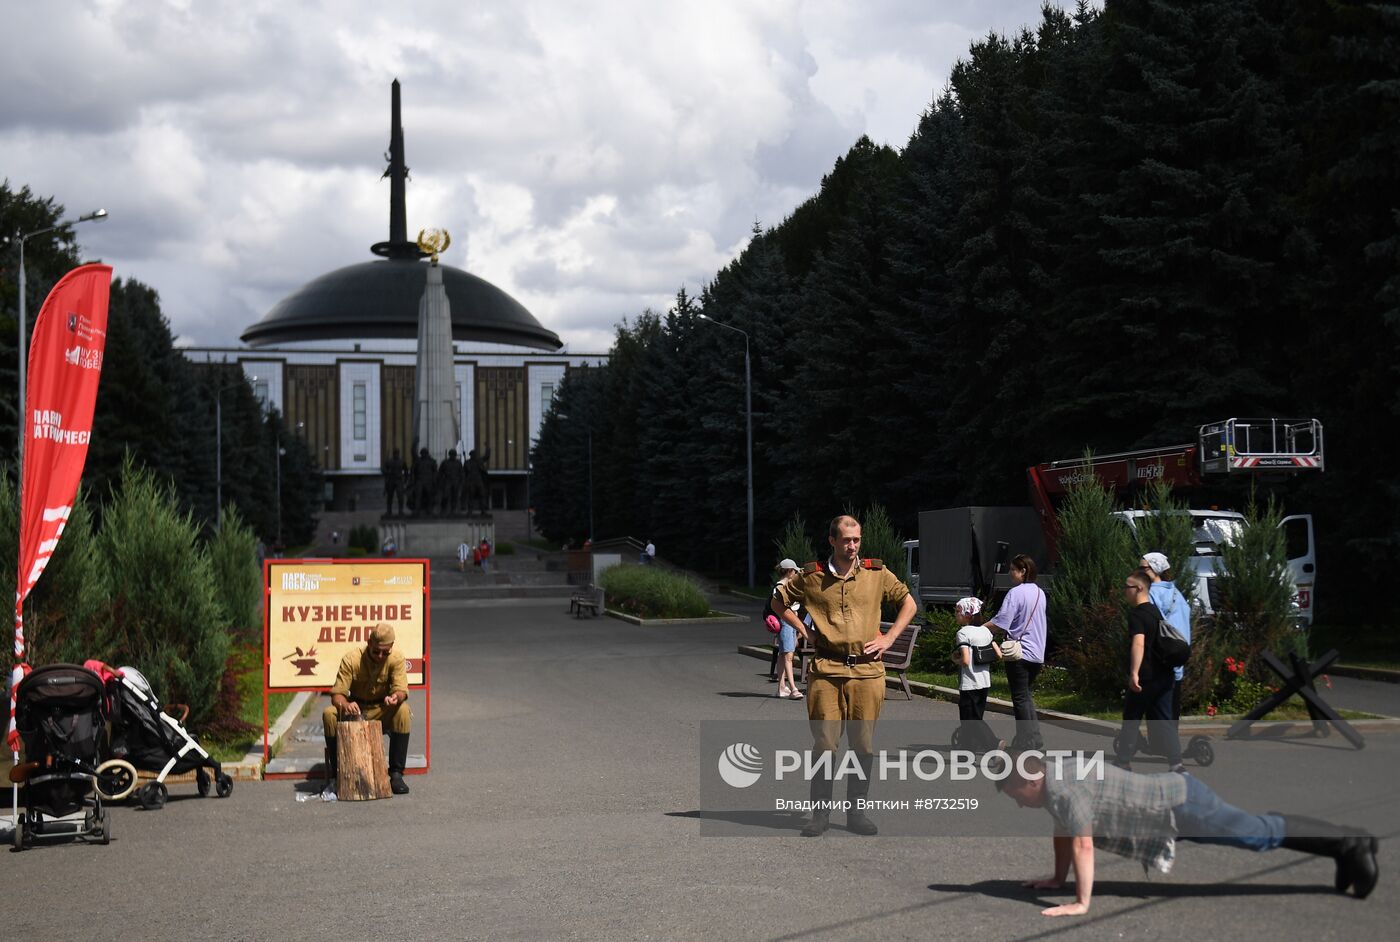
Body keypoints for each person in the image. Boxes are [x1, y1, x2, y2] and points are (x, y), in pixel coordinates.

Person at [995, 752, 1379, 917]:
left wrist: (1081, 902)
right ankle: (1347, 842)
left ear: (1029, 780)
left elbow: (1082, 841)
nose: (1017, 804)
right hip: (1171, 806)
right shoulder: (1053, 781)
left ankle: (1349, 844)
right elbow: (1064, 831)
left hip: (1181, 806)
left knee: (1257, 834)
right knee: (1256, 829)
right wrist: (1058, 878)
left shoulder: (1062, 788)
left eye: (1014, 796)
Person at [772, 515, 918, 837]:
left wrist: (889, 638)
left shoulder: (876, 573)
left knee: (863, 745)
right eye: (846, 540)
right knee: (825, 744)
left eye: (857, 540)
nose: (852, 546)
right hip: (826, 670)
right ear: (832, 541)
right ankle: (819, 816)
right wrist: (803, 630)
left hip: (867, 672)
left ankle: (856, 814)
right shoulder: (811, 577)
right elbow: (778, 602)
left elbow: (908, 604)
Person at [322, 622, 412, 795]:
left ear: (391, 647)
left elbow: (401, 690)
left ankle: (396, 773)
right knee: (329, 715)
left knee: (403, 711)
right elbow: (337, 695)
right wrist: (346, 705)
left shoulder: (396, 659)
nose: (380, 656)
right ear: (369, 643)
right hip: (355, 711)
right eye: (376, 651)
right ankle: (338, 774)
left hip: (381, 709)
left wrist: (395, 697)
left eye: (385, 652)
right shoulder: (352, 659)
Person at [1116, 569, 1184, 772]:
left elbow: (1139, 643)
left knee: (1131, 717)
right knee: (1164, 719)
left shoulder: (1137, 614)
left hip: (1147, 676)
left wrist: (1134, 673)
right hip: (1165, 674)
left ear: (1138, 589)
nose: (1124, 591)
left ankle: (1123, 761)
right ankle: (1176, 763)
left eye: (1127, 587)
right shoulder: (1156, 612)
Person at [979, 554, 1047, 750]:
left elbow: (1002, 621)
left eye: (1012, 570)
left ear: (1023, 571)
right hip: (1037, 652)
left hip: (1019, 652)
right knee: (1025, 695)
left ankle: (1027, 740)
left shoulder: (1016, 593)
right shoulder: (1039, 593)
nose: (1010, 574)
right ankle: (1034, 736)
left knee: (1019, 697)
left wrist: (979, 628)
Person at [1141, 551, 1191, 723]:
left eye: (1143, 568)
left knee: (1157, 708)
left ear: (1154, 569)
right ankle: (1170, 743)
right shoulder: (1176, 592)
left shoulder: (1150, 594)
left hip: (1158, 659)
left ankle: (1161, 744)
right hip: (1178, 653)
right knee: (1172, 707)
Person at [953, 597, 1001, 753]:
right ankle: (967, 751)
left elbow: (966, 660)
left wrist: (955, 659)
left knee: (970, 720)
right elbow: (998, 654)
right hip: (984, 681)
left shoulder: (963, 633)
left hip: (969, 683)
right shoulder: (986, 631)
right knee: (974, 718)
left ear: (968, 614)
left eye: (958, 611)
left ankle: (994, 744)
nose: (955, 613)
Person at [769, 559, 806, 699]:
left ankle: (781, 688)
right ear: (789, 571)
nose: (796, 573)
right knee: (788, 656)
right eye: (795, 571)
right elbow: (782, 608)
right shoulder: (780, 587)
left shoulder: (786, 586)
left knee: (782, 655)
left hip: (788, 623)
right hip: (785, 623)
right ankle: (793, 688)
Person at [382, 448, 407, 516]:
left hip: (399, 481)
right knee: (390, 496)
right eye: (395, 453)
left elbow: (406, 471)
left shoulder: (402, 461)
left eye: (397, 453)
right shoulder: (389, 461)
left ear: (398, 453)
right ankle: (389, 511)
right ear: (393, 454)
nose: (396, 454)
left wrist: (405, 480)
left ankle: (401, 511)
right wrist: (387, 472)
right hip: (391, 480)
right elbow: (383, 469)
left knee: (400, 497)